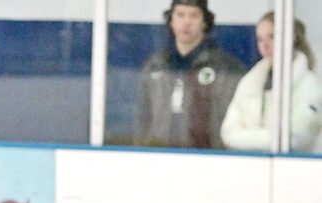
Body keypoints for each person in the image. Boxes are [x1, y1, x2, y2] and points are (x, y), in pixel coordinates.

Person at [135, 0, 245, 149]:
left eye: (194, 15)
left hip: (209, 158)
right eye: (180, 15)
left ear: (205, 22)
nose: (186, 22)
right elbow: (143, 118)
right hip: (159, 156)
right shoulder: (155, 66)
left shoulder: (225, 68)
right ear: (171, 20)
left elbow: (233, 121)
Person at [220, 12, 322, 153]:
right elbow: (229, 133)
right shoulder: (249, 82)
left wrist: (248, 139)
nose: (265, 45)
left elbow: (296, 138)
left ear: (290, 38)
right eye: (260, 39)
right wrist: (268, 138)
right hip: (249, 167)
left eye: (272, 37)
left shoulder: (310, 85)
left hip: (297, 169)